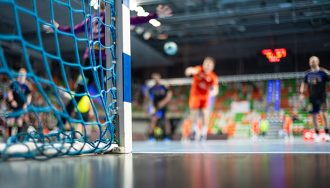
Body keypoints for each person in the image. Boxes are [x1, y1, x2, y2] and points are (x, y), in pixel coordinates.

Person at [43, 3, 172, 126]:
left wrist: (58, 28)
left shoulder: (91, 18)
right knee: (106, 90)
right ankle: (112, 120)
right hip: (103, 62)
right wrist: (155, 15)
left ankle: (62, 121)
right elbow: (134, 20)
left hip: (89, 61)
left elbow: (73, 30)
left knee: (80, 92)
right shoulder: (111, 18)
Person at [185, 57, 219, 141]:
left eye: (209, 64)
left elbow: (215, 89)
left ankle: (203, 133)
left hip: (205, 97)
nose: (207, 66)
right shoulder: (198, 70)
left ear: (212, 66)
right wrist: (189, 71)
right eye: (206, 63)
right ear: (203, 64)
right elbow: (190, 70)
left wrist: (212, 92)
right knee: (194, 113)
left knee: (205, 113)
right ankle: (195, 131)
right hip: (195, 95)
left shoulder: (213, 77)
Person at [300, 56, 329, 142]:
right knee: (314, 116)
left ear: (318, 61)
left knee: (324, 114)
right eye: (310, 61)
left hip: (322, 97)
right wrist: (301, 93)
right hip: (312, 98)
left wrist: (327, 72)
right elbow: (303, 84)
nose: (312, 62)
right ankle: (317, 134)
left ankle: (327, 134)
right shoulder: (307, 74)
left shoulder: (323, 72)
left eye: (314, 61)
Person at [6, 68, 32, 137]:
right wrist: (12, 101)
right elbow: (10, 92)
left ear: (25, 76)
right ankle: (9, 137)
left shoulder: (27, 85)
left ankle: (18, 138)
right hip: (13, 104)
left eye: (24, 75)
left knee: (19, 122)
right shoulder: (14, 83)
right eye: (21, 75)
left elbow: (29, 96)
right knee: (11, 120)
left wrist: (26, 104)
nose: (22, 77)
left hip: (21, 105)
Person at [148, 73, 172, 141]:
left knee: (166, 120)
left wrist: (163, 103)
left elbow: (169, 95)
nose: (156, 79)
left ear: (159, 78)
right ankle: (151, 136)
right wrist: (152, 107)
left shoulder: (164, 87)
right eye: (154, 78)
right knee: (153, 120)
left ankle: (168, 136)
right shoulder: (152, 88)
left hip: (164, 107)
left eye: (157, 78)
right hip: (156, 107)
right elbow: (150, 99)